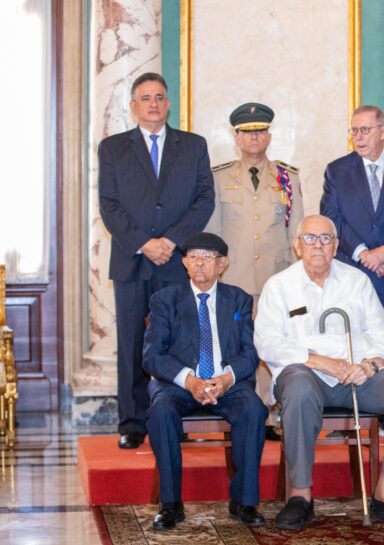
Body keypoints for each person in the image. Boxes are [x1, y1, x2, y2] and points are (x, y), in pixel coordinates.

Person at [254, 215, 384, 530]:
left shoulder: (356, 281)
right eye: (310, 238)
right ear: (297, 245)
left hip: (356, 379)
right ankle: (300, 495)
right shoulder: (279, 286)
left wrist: (369, 365)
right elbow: (267, 344)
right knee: (299, 387)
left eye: (325, 238)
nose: (318, 245)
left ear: (335, 246)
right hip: (305, 377)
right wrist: (319, 361)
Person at [98, 72, 215, 450]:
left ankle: (175, 418)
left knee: (178, 342)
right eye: (146, 98)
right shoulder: (113, 148)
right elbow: (109, 205)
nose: (153, 104)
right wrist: (144, 243)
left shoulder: (193, 145)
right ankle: (132, 422)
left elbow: (204, 200)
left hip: (176, 261)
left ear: (168, 104)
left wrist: (170, 241)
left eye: (160, 97)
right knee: (132, 342)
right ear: (133, 106)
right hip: (133, 261)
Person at [143, 232, 267, 531]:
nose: (200, 263)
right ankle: (170, 504)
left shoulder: (238, 299)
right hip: (179, 384)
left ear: (222, 264)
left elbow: (251, 352)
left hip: (227, 382)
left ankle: (244, 502)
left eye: (208, 257)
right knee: (160, 412)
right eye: (194, 257)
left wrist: (226, 379)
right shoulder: (165, 300)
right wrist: (190, 381)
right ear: (184, 263)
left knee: (254, 410)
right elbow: (152, 356)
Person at [206, 102, 304, 441]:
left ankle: (267, 413)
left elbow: (296, 233)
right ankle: (237, 411)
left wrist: (298, 280)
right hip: (233, 279)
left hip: (275, 280)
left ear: (269, 136)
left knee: (273, 345)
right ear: (236, 137)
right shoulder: (219, 178)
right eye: (247, 133)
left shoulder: (287, 177)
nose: (254, 138)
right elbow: (214, 232)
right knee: (235, 345)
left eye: (260, 131)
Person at [320, 105, 384, 369]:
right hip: (350, 274)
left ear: (383, 131)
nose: (358, 137)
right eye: (354, 131)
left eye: (365, 130)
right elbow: (331, 218)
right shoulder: (337, 170)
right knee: (351, 352)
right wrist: (364, 253)